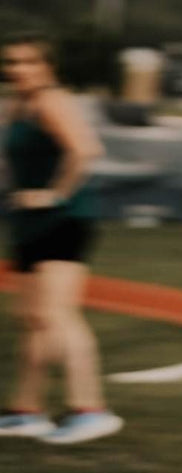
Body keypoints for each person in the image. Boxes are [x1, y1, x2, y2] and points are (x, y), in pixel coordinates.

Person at [0, 32, 121, 445]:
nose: (18, 70)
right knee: (32, 319)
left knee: (58, 315)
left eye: (28, 62)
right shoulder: (20, 105)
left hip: (63, 221)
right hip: (28, 223)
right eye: (12, 62)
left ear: (47, 67)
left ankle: (91, 409)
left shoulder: (52, 101)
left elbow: (85, 150)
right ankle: (25, 411)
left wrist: (54, 194)